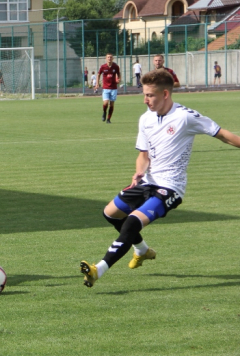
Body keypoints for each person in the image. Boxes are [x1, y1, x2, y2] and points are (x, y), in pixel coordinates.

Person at [80, 69, 240, 288]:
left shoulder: (185, 117)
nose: (146, 100)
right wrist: (139, 171)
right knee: (110, 214)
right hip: (147, 181)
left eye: (150, 95)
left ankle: (98, 269)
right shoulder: (145, 119)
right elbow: (143, 155)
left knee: (131, 223)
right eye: (144, 95)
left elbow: (223, 135)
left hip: (170, 187)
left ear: (165, 94)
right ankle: (143, 251)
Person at [95, 53, 120, 123]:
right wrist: (97, 83)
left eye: (111, 57)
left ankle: (108, 119)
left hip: (114, 88)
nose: (109, 58)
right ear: (106, 58)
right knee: (105, 103)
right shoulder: (103, 67)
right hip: (105, 88)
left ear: (113, 58)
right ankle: (104, 112)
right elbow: (98, 74)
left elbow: (119, 74)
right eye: (108, 57)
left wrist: (118, 79)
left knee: (111, 104)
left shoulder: (115, 66)